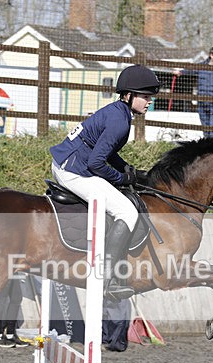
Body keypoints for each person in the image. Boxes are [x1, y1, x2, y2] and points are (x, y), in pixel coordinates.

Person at [49, 64, 159, 301]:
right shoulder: (120, 121)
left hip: (72, 161)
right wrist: (121, 179)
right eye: (145, 97)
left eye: (150, 98)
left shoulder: (118, 112)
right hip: (73, 170)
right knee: (127, 212)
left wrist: (129, 171)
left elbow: (106, 153)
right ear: (128, 95)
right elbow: (97, 165)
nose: (149, 102)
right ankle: (106, 278)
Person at [0, 276, 29, 348]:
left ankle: (10, 334)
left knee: (16, 298)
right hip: (3, 269)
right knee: (0, 299)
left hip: (13, 269)